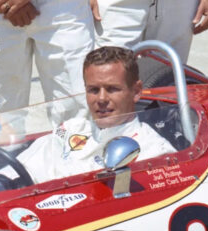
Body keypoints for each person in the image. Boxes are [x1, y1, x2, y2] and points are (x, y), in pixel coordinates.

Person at [15, 46, 174, 182]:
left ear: (136, 91)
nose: (101, 99)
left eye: (112, 89)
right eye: (93, 90)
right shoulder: (70, 129)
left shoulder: (154, 152)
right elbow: (16, 173)